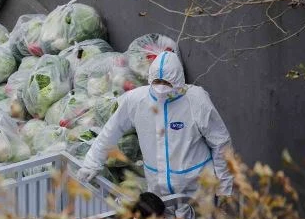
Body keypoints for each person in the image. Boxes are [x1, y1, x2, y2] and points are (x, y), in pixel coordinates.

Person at [77, 51, 233, 199]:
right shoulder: (137, 100)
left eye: (167, 83)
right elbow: (110, 132)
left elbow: (220, 142)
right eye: (157, 82)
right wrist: (91, 163)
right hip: (159, 194)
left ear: (179, 81)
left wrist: (225, 187)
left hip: (198, 191)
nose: (161, 88)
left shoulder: (196, 100)